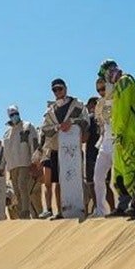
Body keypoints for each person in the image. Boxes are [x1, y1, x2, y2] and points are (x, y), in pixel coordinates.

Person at [39, 78, 89, 218]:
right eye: (55, 90)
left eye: (60, 88)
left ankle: (83, 208)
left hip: (73, 149)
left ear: (66, 88)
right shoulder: (50, 111)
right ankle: (61, 211)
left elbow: (86, 121)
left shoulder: (77, 105)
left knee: (77, 179)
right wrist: (57, 127)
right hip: (56, 148)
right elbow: (45, 130)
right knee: (59, 182)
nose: (58, 92)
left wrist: (72, 122)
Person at [101, 60, 135, 215]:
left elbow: (124, 110)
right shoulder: (118, 86)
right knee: (118, 173)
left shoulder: (125, 81)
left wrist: (119, 133)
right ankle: (123, 205)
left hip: (129, 133)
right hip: (118, 136)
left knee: (130, 169)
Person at [1, 105, 40, 219]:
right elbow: (5, 151)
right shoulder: (7, 133)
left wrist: (35, 161)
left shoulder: (27, 126)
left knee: (23, 186)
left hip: (25, 162)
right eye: (11, 115)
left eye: (15, 114)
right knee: (16, 191)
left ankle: (25, 211)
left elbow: (34, 144)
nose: (14, 116)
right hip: (12, 166)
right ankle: (20, 215)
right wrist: (2, 166)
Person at [90, 78, 116, 216]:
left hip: (117, 142)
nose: (101, 92)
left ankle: (127, 205)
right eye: (98, 90)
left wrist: (110, 90)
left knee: (120, 179)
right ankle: (100, 210)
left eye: (103, 89)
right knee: (98, 177)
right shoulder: (100, 103)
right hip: (104, 143)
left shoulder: (116, 98)